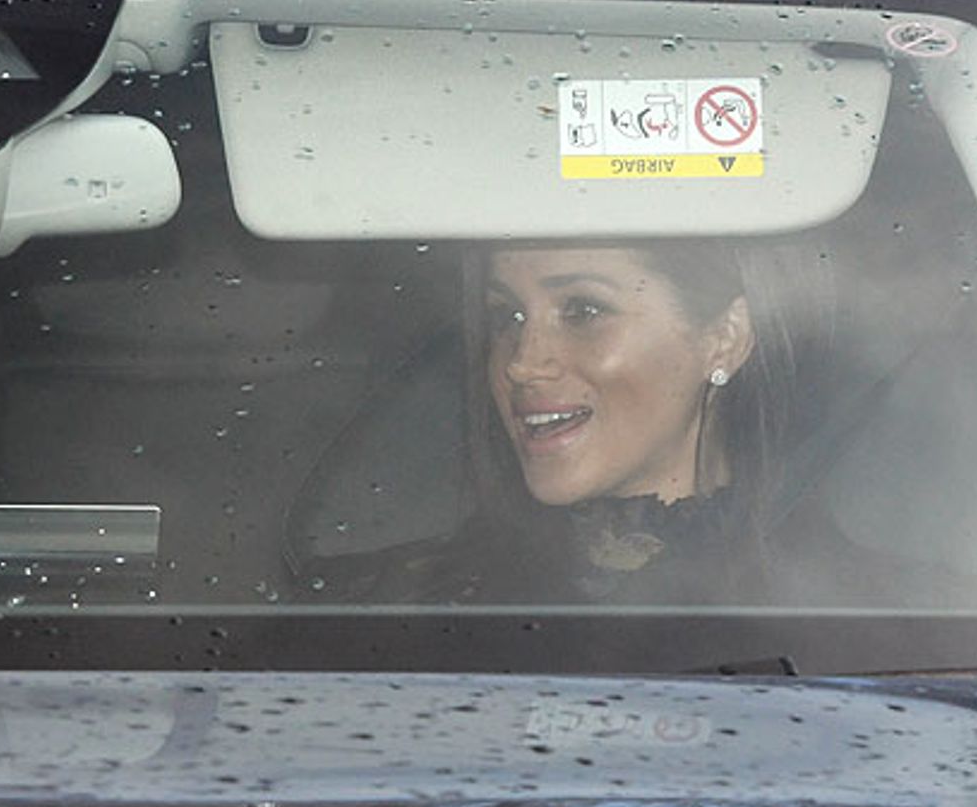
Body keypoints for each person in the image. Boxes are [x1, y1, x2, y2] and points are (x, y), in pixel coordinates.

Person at [318, 238, 937, 605]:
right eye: (506, 316)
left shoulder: (896, 621)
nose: (523, 364)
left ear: (724, 338)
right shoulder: (388, 612)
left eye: (583, 309)